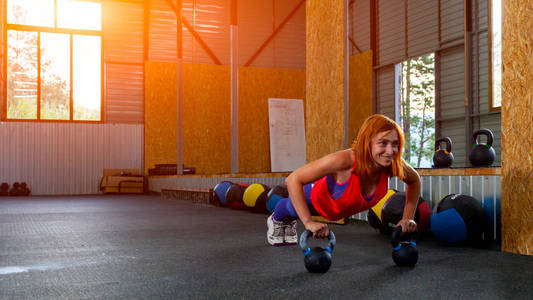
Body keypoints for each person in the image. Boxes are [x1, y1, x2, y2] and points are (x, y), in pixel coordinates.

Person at [267, 114, 421, 246]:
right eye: (383, 143)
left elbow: (415, 181)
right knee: (292, 207)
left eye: (395, 144)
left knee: (296, 209)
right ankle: (276, 218)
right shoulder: (344, 160)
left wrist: (407, 218)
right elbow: (293, 179)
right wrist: (307, 222)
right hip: (317, 196)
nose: (390, 151)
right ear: (367, 142)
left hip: (336, 209)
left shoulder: (393, 163)